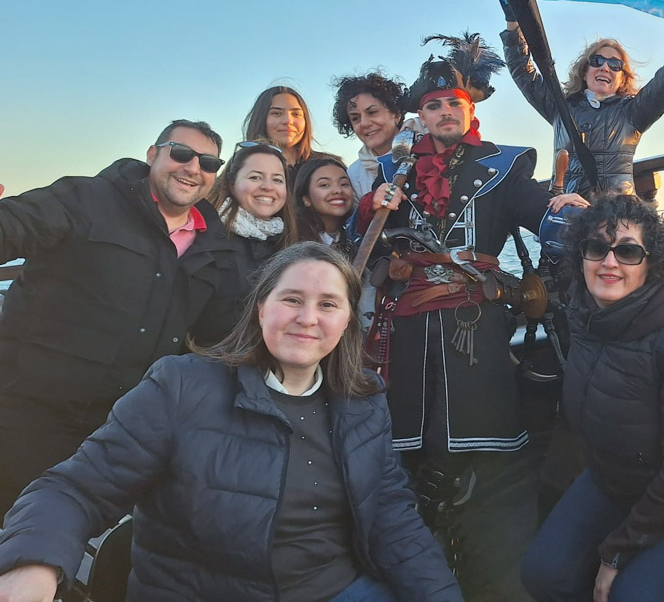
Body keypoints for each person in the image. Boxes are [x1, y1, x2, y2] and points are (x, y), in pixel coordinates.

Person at [0, 242, 464, 602]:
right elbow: (78, 488)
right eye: (292, 299)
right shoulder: (181, 385)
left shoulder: (364, 400)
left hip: (339, 590)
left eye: (328, 304)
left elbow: (391, 517)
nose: (307, 318)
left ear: (347, 320)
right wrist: (33, 564)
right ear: (261, 308)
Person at [362, 33, 587, 601]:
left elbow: (540, 214)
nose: (445, 111)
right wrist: (374, 217)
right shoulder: (393, 171)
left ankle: (493, 575)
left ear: (470, 108)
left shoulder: (504, 166)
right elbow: (359, 243)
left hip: (475, 328)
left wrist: (567, 213)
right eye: (434, 104)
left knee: (488, 466)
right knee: (408, 460)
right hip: (408, 328)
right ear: (420, 114)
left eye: (454, 103)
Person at [521, 194, 664, 602]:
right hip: (619, 476)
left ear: (652, 263)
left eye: (628, 252)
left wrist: (616, 551)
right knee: (543, 575)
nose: (609, 262)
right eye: (597, 248)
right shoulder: (586, 316)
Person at [0, 120, 242, 513]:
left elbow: (223, 336)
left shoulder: (216, 249)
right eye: (181, 153)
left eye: (209, 163)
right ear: (153, 154)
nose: (193, 168)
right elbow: (16, 223)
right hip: (28, 415)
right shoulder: (85, 198)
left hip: (122, 434)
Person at [501, 1, 664, 196]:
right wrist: (513, 24)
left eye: (615, 65)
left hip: (615, 218)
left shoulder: (633, 112)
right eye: (597, 61)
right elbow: (523, 72)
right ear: (584, 71)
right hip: (566, 214)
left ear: (622, 78)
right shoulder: (560, 107)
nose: (605, 67)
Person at [208, 139, 296, 293]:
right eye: (255, 177)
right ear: (232, 185)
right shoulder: (207, 238)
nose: (268, 187)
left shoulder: (292, 243)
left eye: (277, 180)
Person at [332, 72, 406, 200]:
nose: (364, 123)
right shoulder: (354, 174)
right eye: (355, 118)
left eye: (372, 112)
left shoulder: (426, 144)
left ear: (396, 114)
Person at [293, 155, 357, 254]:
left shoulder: (358, 237)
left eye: (344, 184)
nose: (338, 190)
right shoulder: (292, 241)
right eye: (324, 185)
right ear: (305, 198)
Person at [243, 85, 317, 169]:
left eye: (296, 114)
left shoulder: (324, 167)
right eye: (277, 113)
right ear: (260, 119)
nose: (288, 121)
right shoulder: (243, 166)